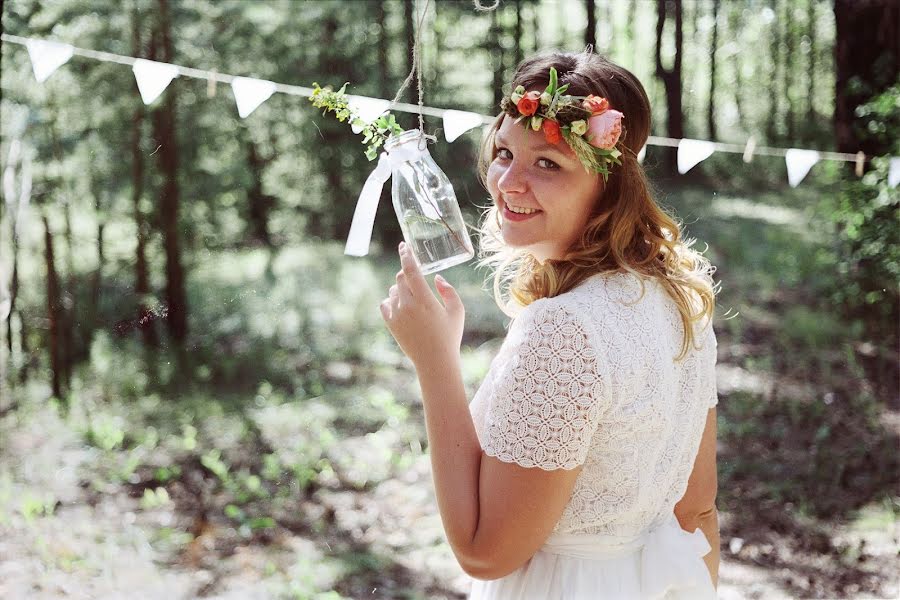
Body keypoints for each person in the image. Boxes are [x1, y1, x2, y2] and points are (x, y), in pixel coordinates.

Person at [379, 48, 720, 600]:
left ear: (610, 185)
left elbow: (484, 552)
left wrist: (435, 358)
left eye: (548, 164)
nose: (508, 183)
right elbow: (698, 509)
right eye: (505, 153)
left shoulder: (564, 330)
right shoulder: (680, 301)